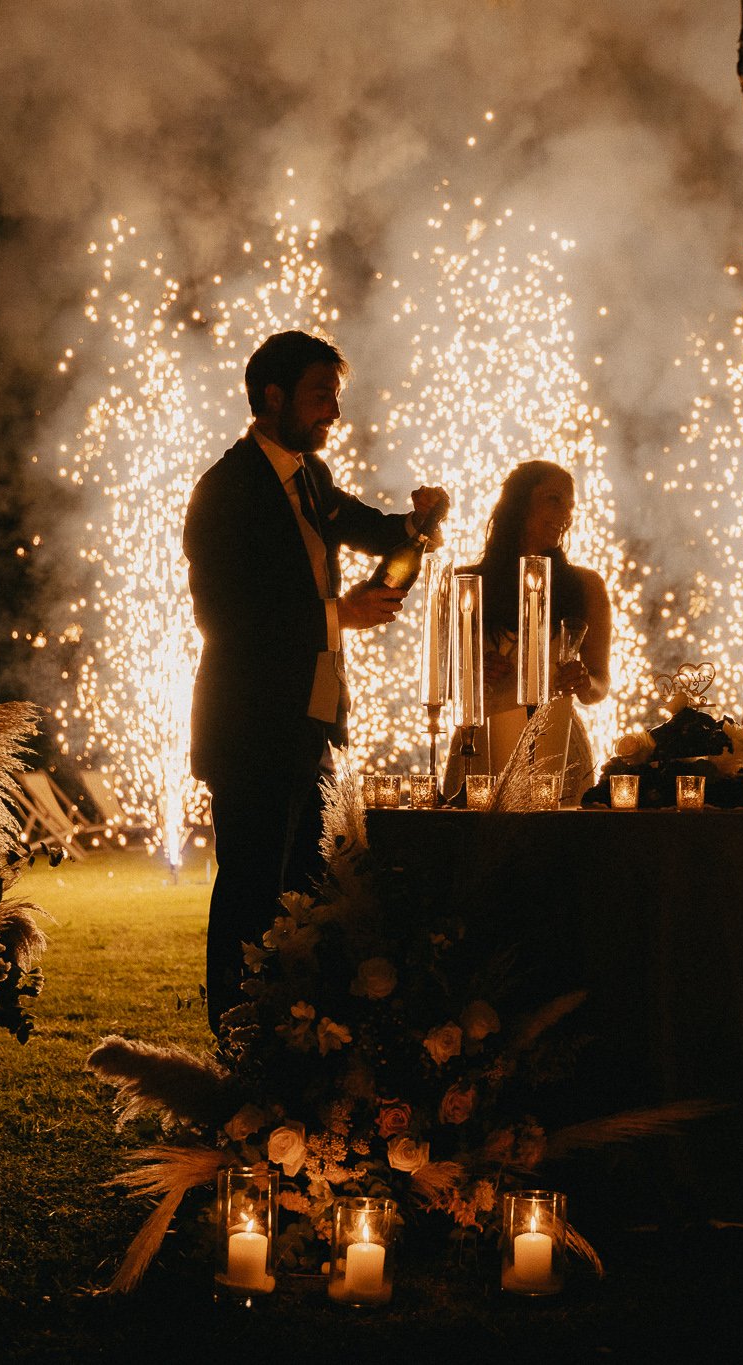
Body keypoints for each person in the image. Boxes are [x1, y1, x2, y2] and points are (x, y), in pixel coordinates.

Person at [184, 330, 447, 1032]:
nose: (334, 411)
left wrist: (418, 530)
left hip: (313, 721)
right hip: (250, 727)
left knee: (304, 894)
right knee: (250, 890)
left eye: (336, 395)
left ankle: (290, 1037)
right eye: (320, 394)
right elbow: (225, 615)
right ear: (272, 396)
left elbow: (380, 536)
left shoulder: (312, 479)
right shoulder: (226, 489)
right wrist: (339, 612)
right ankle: (235, 1035)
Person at [451, 459, 612, 801]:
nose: (565, 515)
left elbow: (600, 684)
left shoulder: (586, 586)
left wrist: (584, 680)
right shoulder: (469, 582)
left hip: (557, 742)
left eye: (570, 506)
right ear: (519, 502)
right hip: (483, 739)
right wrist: (475, 670)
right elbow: (447, 678)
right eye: (554, 499)